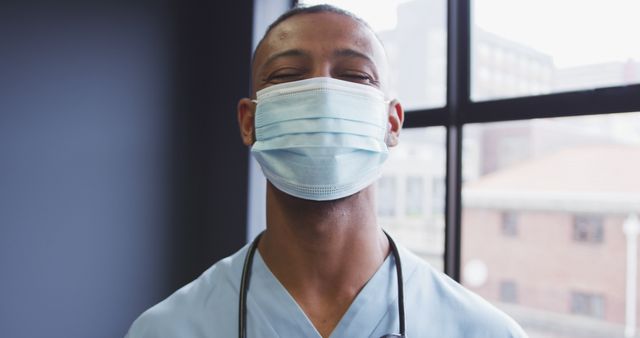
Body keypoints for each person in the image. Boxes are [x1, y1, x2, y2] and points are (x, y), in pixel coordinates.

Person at [125, 4, 527, 338]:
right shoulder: (167, 330)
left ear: (392, 124)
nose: (323, 94)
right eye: (287, 76)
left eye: (355, 76)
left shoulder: (483, 331)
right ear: (249, 122)